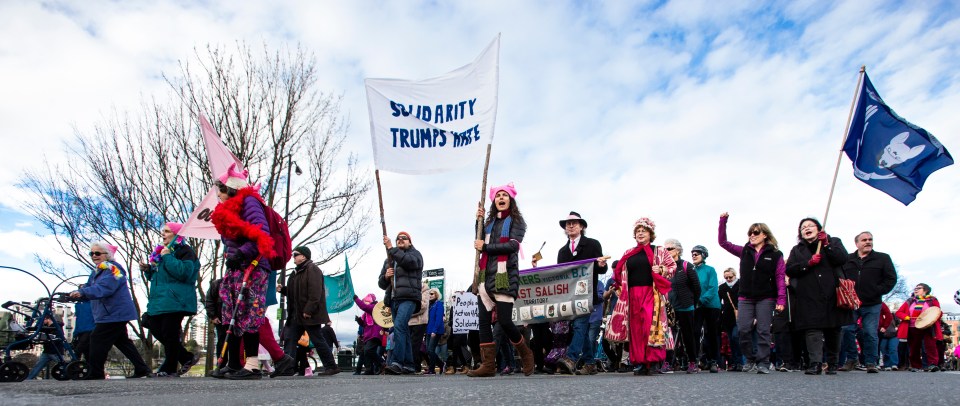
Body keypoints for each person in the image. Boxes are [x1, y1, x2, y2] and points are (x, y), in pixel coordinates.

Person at [209, 164, 273, 380]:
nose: (217, 194)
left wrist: (242, 253)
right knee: (231, 312)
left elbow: (261, 232)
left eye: (220, 189)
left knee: (250, 313)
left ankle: (253, 365)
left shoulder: (250, 202)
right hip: (235, 267)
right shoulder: (227, 210)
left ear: (230, 189)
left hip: (253, 265)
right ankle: (233, 363)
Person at [468, 182, 534, 377]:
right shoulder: (488, 224)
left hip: (505, 276)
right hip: (484, 277)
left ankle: (525, 353)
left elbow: (513, 246)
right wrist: (478, 221)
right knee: (483, 322)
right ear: (494, 201)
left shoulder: (517, 222)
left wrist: (486, 247)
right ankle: (488, 365)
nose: (501, 198)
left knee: (505, 321)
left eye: (505, 195)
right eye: (498, 196)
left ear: (510, 200)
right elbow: (479, 241)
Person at [70, 241, 152, 379]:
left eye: (97, 253)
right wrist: (77, 295)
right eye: (92, 253)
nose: (94, 256)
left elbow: (105, 288)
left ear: (107, 255)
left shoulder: (113, 269)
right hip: (109, 313)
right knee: (122, 342)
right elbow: (90, 289)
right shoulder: (97, 271)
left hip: (114, 313)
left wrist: (83, 292)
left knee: (96, 338)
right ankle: (142, 368)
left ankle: (96, 372)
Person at [717, 212, 786, 374]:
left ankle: (763, 362)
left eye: (756, 232)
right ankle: (750, 358)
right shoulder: (744, 251)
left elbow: (780, 277)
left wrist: (781, 300)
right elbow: (723, 243)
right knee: (743, 329)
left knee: (763, 330)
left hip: (766, 297)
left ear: (765, 235)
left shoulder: (776, 255)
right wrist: (723, 221)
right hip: (745, 297)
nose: (752, 235)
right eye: (750, 233)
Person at [606, 217, 675, 376]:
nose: (640, 233)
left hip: (651, 293)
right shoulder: (628, 253)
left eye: (643, 230)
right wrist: (617, 286)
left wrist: (662, 269)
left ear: (651, 234)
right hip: (632, 295)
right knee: (635, 329)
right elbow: (619, 273)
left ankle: (653, 361)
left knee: (649, 326)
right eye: (637, 231)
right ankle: (641, 362)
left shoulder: (659, 250)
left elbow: (672, 266)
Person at [784, 218, 851, 375]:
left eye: (810, 226)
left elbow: (842, 258)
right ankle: (815, 363)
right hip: (809, 295)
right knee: (812, 330)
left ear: (819, 228)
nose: (806, 228)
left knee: (833, 329)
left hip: (832, 292)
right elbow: (790, 269)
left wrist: (826, 244)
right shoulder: (797, 249)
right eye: (803, 227)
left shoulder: (833, 242)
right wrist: (808, 263)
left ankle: (833, 362)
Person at [140, 222, 201, 377]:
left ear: (177, 234)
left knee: (169, 333)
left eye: (167, 231)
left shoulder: (185, 251)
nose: (163, 234)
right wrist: (149, 270)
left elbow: (184, 272)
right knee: (153, 325)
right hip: (159, 300)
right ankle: (185, 356)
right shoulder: (161, 252)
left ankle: (169, 367)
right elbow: (160, 276)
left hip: (175, 299)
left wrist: (167, 257)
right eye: (163, 231)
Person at [552, 211, 608, 376]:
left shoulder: (592, 244)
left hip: (586, 293)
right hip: (570, 295)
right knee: (579, 329)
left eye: (574, 223)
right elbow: (561, 275)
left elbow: (601, 268)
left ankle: (571, 357)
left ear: (581, 226)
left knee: (579, 325)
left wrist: (602, 264)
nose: (570, 226)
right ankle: (590, 363)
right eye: (568, 224)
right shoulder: (562, 251)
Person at [839, 232, 897, 373]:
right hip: (851, 303)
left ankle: (871, 362)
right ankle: (852, 359)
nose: (868, 242)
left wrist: (878, 290)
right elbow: (839, 277)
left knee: (870, 332)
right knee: (846, 330)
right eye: (864, 240)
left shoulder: (882, 258)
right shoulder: (847, 259)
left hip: (872, 302)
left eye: (870, 239)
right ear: (857, 243)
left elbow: (891, 278)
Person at [279, 246, 340, 375]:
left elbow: (315, 292)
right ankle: (287, 368)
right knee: (289, 338)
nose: (293, 257)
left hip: (309, 315)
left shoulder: (313, 270)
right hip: (295, 315)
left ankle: (331, 366)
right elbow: (293, 292)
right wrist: (283, 290)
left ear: (304, 256)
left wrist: (309, 310)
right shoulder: (295, 273)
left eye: (296, 254)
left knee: (318, 340)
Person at [378, 230, 424, 375]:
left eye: (404, 238)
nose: (400, 240)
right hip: (393, 299)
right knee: (402, 329)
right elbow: (381, 283)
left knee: (398, 326)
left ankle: (397, 362)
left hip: (409, 298)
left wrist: (392, 249)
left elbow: (409, 262)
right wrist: (386, 276)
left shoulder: (415, 255)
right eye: (398, 238)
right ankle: (409, 365)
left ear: (410, 242)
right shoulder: (389, 260)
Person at [663, 238, 700, 373]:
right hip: (670, 307)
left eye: (670, 249)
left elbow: (696, 287)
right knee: (668, 336)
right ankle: (668, 362)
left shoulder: (686, 266)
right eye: (665, 249)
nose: (666, 251)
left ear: (678, 250)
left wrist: (692, 302)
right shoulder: (664, 268)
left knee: (688, 335)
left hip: (686, 306)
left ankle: (692, 362)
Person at [895, 283, 944, 372]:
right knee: (913, 347)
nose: (916, 290)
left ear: (925, 290)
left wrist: (930, 318)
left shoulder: (932, 300)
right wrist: (906, 317)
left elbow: (938, 312)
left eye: (919, 288)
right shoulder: (910, 301)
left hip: (927, 326)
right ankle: (916, 365)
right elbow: (899, 312)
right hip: (912, 327)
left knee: (930, 346)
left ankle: (932, 364)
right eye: (915, 288)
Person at [691, 244, 722, 373]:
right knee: (696, 332)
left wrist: (701, 300)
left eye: (696, 254)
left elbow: (713, 288)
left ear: (703, 255)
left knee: (711, 332)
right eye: (692, 254)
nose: (694, 256)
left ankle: (713, 360)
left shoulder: (710, 270)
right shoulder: (691, 270)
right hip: (696, 306)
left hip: (711, 305)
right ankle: (697, 360)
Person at [25, 315, 65, 380]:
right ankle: (29, 378)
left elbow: (57, 338)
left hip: (55, 351)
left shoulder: (56, 327)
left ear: (48, 319)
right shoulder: (46, 327)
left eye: (43, 320)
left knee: (63, 365)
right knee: (38, 366)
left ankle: (68, 375)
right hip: (47, 350)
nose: (43, 322)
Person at [717, 268, 741, 371]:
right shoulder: (722, 287)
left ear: (735, 275)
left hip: (739, 315)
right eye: (726, 277)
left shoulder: (741, 285)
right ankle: (734, 363)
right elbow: (718, 301)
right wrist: (722, 310)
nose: (728, 279)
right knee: (731, 340)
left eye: (730, 277)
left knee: (736, 337)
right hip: (727, 316)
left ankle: (740, 362)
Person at [353, 294, 383, 375]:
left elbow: (363, 307)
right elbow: (364, 325)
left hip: (374, 333)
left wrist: (356, 299)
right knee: (367, 352)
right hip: (369, 334)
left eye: (366, 301)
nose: (365, 303)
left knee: (368, 350)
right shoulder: (366, 313)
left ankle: (382, 363)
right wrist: (359, 320)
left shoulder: (374, 307)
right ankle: (369, 369)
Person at [408, 281, 430, 373]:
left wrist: (407, 312)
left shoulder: (425, 290)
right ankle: (410, 365)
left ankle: (415, 367)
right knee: (409, 345)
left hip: (419, 322)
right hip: (409, 322)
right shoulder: (409, 290)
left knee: (415, 345)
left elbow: (423, 306)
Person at [425, 288, 445, 374]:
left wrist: (434, 330)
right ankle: (441, 364)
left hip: (435, 330)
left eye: (432, 293)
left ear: (436, 294)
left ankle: (432, 369)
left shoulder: (439, 304)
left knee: (431, 350)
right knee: (428, 350)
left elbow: (438, 318)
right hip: (428, 330)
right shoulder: (429, 305)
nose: (430, 295)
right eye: (429, 294)